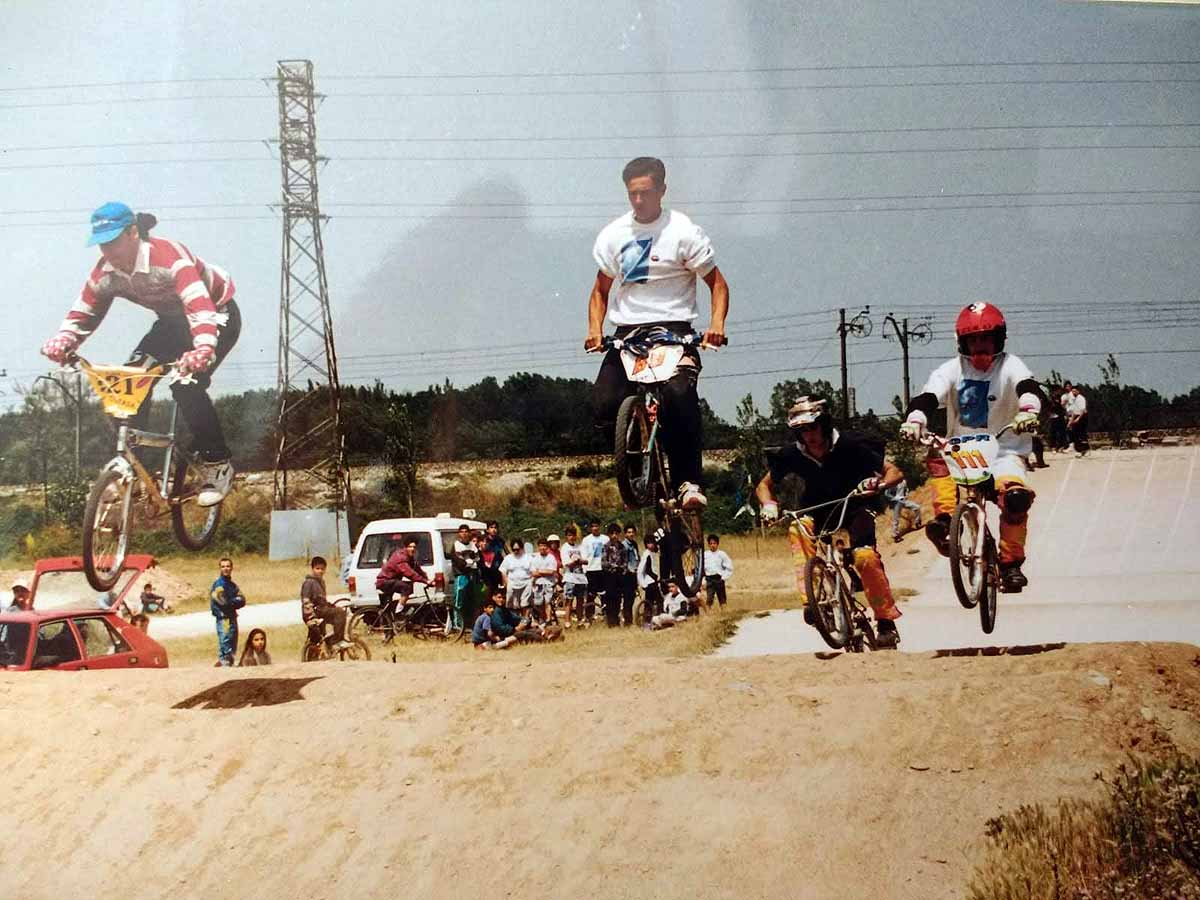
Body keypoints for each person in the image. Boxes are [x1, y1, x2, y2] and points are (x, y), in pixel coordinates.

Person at [40, 203, 241, 507]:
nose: (108, 252)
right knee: (130, 381)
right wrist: (64, 340)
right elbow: (84, 310)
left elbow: (200, 306)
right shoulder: (105, 273)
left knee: (185, 386)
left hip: (216, 316)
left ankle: (218, 463)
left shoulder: (169, 257)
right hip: (173, 323)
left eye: (113, 242)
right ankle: (134, 472)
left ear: (133, 233)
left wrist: (202, 349)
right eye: (102, 244)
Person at [585, 156, 730, 512]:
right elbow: (600, 291)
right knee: (603, 402)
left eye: (646, 193)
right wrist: (594, 330)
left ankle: (688, 481)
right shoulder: (614, 235)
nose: (638, 201)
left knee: (680, 397)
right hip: (629, 334)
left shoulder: (683, 232)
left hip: (675, 331)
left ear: (662, 190)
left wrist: (716, 326)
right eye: (632, 194)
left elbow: (719, 285)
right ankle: (637, 471)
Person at [900, 302, 1044, 593]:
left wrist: (1028, 410)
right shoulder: (951, 369)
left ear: (998, 339)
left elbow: (1027, 387)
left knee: (1015, 498)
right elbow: (928, 396)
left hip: (1004, 450)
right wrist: (915, 419)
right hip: (962, 450)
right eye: (973, 340)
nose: (980, 347)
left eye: (986, 339)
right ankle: (946, 526)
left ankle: (1010, 563)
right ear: (962, 343)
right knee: (938, 460)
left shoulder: (1010, 364)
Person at [757, 396, 904, 648]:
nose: (809, 435)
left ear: (824, 424)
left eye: (812, 427)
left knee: (865, 558)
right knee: (797, 529)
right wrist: (769, 505)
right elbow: (764, 486)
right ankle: (812, 603)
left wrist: (877, 485)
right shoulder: (793, 453)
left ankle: (885, 620)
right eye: (801, 430)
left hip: (856, 505)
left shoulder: (850, 444)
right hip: (818, 509)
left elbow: (895, 472)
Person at [376, 538, 432, 629]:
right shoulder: (401, 557)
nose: (412, 549)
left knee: (388, 612)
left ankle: (389, 635)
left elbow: (417, 569)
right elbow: (409, 573)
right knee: (407, 587)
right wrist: (425, 581)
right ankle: (399, 612)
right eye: (410, 547)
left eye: (414, 547)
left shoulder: (410, 558)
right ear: (405, 547)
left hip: (391, 581)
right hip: (384, 581)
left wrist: (428, 579)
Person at [301, 556, 351, 652]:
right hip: (314, 612)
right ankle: (337, 641)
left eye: (322, 569)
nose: (320, 571)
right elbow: (306, 601)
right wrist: (310, 617)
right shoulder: (309, 582)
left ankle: (328, 645)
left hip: (321, 610)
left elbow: (321, 600)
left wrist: (331, 606)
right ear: (312, 569)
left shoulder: (320, 582)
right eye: (317, 568)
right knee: (339, 613)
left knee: (318, 638)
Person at [210, 557, 246, 666]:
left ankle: (229, 664)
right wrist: (233, 601)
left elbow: (242, 599)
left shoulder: (232, 585)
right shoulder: (218, 584)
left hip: (232, 617)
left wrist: (232, 601)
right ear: (220, 568)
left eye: (228, 566)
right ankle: (224, 666)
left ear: (232, 568)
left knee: (233, 644)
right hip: (224, 619)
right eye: (223, 566)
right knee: (225, 643)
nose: (226, 568)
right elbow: (222, 601)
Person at [450, 524, 479, 629]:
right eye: (462, 531)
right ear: (459, 533)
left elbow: (477, 558)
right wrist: (469, 562)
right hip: (461, 576)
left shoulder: (472, 545)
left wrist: (469, 562)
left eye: (466, 531)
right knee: (458, 601)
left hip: (472, 576)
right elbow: (459, 562)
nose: (464, 533)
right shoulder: (456, 545)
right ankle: (457, 624)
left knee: (471, 601)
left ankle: (471, 624)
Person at [560, 525, 589, 627]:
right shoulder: (564, 548)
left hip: (581, 578)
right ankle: (567, 621)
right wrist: (575, 561)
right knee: (569, 600)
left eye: (573, 535)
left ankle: (580, 620)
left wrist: (579, 561)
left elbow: (586, 560)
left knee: (580, 600)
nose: (571, 537)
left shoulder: (580, 547)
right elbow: (566, 563)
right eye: (569, 535)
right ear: (566, 537)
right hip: (569, 577)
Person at [580, 519, 608, 621]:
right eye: (593, 526)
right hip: (591, 570)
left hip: (603, 569)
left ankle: (606, 614)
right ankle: (589, 616)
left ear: (599, 527)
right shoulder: (586, 540)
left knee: (604, 594)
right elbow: (584, 557)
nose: (595, 528)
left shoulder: (605, 539)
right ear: (590, 528)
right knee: (591, 595)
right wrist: (585, 571)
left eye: (597, 526)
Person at [600, 523, 627, 627]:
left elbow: (625, 561)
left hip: (619, 576)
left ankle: (616, 619)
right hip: (609, 575)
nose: (614, 536)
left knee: (618, 598)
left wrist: (622, 569)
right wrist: (613, 567)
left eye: (616, 533)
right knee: (610, 598)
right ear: (609, 535)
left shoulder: (622, 547)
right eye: (612, 533)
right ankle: (611, 621)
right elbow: (603, 562)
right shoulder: (606, 546)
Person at [498, 539, 534, 611]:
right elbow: (503, 571)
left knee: (525, 604)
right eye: (514, 549)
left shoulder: (529, 558)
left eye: (517, 549)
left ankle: (525, 619)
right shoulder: (508, 558)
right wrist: (506, 583)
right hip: (512, 584)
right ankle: (515, 619)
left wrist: (531, 582)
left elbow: (534, 571)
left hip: (526, 583)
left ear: (522, 548)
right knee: (513, 605)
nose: (516, 551)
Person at [529, 538, 559, 624]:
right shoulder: (535, 558)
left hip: (549, 583)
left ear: (547, 547)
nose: (542, 548)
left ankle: (548, 619)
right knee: (539, 603)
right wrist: (544, 571)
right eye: (541, 546)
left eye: (544, 545)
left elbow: (552, 571)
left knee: (547, 601)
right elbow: (533, 572)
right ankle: (542, 619)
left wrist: (540, 571)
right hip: (538, 584)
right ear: (538, 547)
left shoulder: (551, 557)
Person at [637, 532, 663, 622]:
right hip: (650, 582)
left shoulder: (652, 553)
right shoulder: (647, 554)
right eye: (648, 543)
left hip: (652, 581)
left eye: (652, 543)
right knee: (657, 601)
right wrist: (654, 577)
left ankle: (650, 620)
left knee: (650, 602)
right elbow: (645, 569)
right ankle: (654, 619)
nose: (650, 545)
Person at [702, 534, 734, 607]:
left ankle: (724, 614)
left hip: (718, 578)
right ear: (708, 544)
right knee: (709, 599)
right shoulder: (705, 555)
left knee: (722, 599)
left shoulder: (722, 554)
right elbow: (703, 568)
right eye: (711, 543)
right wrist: (703, 581)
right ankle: (708, 616)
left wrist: (723, 578)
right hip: (709, 579)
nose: (713, 545)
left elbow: (729, 567)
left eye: (714, 543)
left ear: (717, 544)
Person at [479, 521, 506, 600]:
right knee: (488, 594)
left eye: (495, 527)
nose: (494, 530)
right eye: (491, 527)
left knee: (499, 593)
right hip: (487, 573)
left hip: (499, 571)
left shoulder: (500, 540)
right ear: (487, 530)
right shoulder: (484, 541)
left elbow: (506, 552)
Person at [621, 525, 640, 627]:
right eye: (628, 532)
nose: (631, 534)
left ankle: (630, 619)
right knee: (628, 598)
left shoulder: (634, 544)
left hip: (634, 574)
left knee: (632, 597)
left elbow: (637, 558)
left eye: (632, 532)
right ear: (625, 534)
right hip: (627, 575)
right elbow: (624, 561)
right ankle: (627, 621)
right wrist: (630, 570)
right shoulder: (624, 545)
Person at [1067, 384, 1089, 457]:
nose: (1073, 392)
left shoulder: (1081, 398)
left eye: (1075, 391)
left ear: (1078, 391)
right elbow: (1074, 410)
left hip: (1082, 417)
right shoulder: (1074, 399)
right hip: (1075, 416)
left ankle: (1086, 450)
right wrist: (1071, 421)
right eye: (1072, 391)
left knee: (1082, 434)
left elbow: (1082, 410)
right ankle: (1079, 450)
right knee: (1075, 434)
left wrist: (1078, 419)